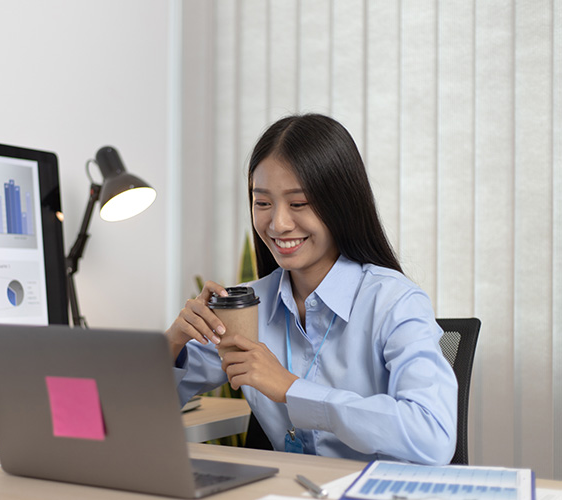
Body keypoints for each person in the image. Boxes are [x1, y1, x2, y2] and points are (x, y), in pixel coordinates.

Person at [166, 113, 457, 465]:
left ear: (341, 205)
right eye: (263, 203)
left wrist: (291, 389)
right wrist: (173, 343)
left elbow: (434, 435)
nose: (278, 223)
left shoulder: (394, 302)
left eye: (298, 203)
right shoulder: (247, 307)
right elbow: (138, 413)